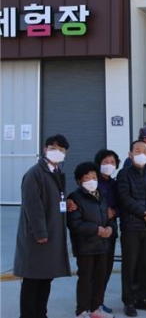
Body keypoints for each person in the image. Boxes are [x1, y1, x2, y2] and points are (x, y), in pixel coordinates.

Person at [14, 134, 71, 318]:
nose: (58, 152)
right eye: (54, 148)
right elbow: (32, 206)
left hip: (52, 235)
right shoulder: (34, 174)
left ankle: (41, 313)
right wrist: (40, 232)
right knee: (32, 279)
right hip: (38, 237)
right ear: (45, 149)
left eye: (62, 150)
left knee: (46, 277)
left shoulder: (56, 173)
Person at [117, 140, 146, 317]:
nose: (142, 153)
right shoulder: (124, 174)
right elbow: (125, 198)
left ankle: (142, 298)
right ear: (130, 154)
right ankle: (128, 300)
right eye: (138, 150)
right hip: (132, 227)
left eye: (145, 150)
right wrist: (144, 214)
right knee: (130, 265)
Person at [67, 162, 116, 318]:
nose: (91, 180)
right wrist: (96, 229)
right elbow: (74, 224)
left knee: (100, 279)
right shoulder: (75, 197)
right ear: (79, 181)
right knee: (85, 279)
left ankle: (95, 309)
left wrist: (111, 228)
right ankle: (82, 310)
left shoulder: (101, 195)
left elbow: (109, 217)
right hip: (85, 246)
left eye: (94, 176)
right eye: (86, 177)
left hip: (102, 245)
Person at [94, 149, 121, 314]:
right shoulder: (92, 181)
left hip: (111, 230)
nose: (109, 165)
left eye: (112, 162)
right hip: (95, 231)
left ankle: (99, 300)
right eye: (105, 162)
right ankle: (90, 303)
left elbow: (120, 205)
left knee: (106, 269)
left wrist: (115, 212)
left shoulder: (115, 184)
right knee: (94, 270)